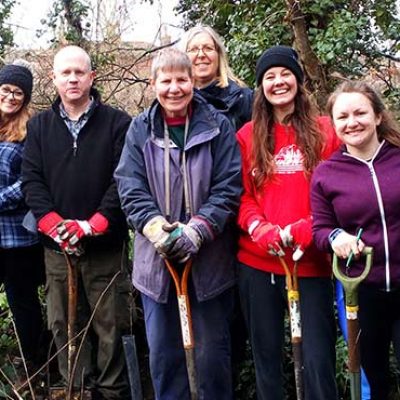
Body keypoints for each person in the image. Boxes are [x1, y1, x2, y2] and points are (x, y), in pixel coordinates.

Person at [114, 47, 242, 400]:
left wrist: (199, 229)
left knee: (211, 357)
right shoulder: (139, 129)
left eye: (181, 79)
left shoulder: (218, 125)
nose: (174, 88)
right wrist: (155, 228)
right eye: (166, 80)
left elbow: (229, 186)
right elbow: (129, 186)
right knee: (166, 358)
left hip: (209, 267)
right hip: (157, 269)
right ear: (153, 84)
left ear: (193, 83)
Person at [21, 45, 132, 400]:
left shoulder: (118, 123)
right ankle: (76, 389)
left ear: (91, 78)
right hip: (57, 248)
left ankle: (112, 391)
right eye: (65, 73)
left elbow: (124, 179)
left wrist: (94, 224)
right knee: (63, 322)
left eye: (79, 72)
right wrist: (55, 226)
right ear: (54, 78)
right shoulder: (38, 126)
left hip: (104, 246)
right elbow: (31, 180)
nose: (72, 79)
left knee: (110, 322)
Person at [236, 45, 340, 400]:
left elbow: (338, 194)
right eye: (269, 77)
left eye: (285, 74)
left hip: (310, 264)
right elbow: (242, 196)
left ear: (298, 79)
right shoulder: (248, 136)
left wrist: (306, 228)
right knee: (266, 361)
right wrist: (259, 228)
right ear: (261, 87)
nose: (278, 82)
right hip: (258, 264)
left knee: (317, 361)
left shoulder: (326, 131)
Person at [311, 80, 400, 400]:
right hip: (362, 294)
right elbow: (320, 229)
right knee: (373, 381)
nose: (352, 122)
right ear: (333, 125)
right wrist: (337, 237)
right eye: (343, 117)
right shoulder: (326, 174)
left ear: (377, 116)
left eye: (360, 113)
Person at [0, 59, 45, 373]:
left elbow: (30, 181)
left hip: (16, 237)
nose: (11, 97)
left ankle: (37, 365)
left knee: (23, 302)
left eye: (18, 93)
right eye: (6, 89)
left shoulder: (32, 130)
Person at [180, 25, 253, 130]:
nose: (201, 55)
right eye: (193, 50)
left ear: (219, 55)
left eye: (208, 48)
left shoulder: (244, 99)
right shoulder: (178, 103)